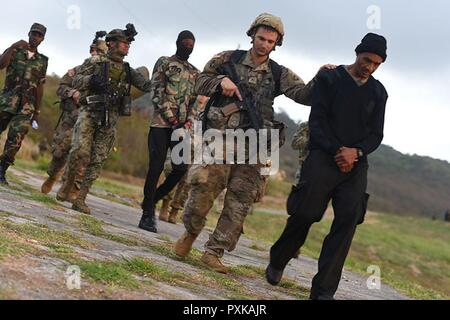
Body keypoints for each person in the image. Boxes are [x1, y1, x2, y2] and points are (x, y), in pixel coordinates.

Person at [174, 13, 332, 274]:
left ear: (276, 43)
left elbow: (305, 95)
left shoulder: (278, 72)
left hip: (255, 144)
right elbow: (198, 82)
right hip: (221, 139)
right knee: (202, 189)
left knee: (241, 199)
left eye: (270, 41)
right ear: (252, 36)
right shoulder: (227, 59)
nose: (264, 44)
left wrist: (321, 76)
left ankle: (214, 251)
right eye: (261, 38)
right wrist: (219, 81)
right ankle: (190, 234)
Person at [266, 33, 389, 300]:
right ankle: (279, 258)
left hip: (355, 164)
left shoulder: (379, 92)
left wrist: (354, 152)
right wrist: (337, 150)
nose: (369, 67)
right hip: (323, 156)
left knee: (347, 222)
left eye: (377, 64)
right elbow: (317, 121)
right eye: (367, 60)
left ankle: (323, 291)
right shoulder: (330, 79)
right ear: (357, 53)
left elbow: (376, 135)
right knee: (306, 213)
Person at [62, 24, 152, 214]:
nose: (127, 46)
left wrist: (162, 75)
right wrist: (91, 80)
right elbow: (76, 81)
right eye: (123, 43)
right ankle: (68, 183)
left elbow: (146, 86)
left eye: (128, 44)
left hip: (110, 119)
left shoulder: (128, 70)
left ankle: (80, 198)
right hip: (89, 112)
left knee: (97, 159)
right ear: (111, 43)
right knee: (79, 151)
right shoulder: (95, 61)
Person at [138, 31, 200, 233]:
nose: (188, 47)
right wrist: (172, 119)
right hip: (161, 125)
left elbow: (195, 102)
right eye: (185, 43)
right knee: (155, 168)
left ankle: (152, 199)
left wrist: (188, 122)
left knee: (181, 169)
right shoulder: (164, 62)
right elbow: (156, 91)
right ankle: (147, 215)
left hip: (181, 130)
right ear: (177, 43)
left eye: (191, 45)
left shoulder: (194, 72)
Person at [41, 32, 108, 197]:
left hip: (90, 120)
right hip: (71, 118)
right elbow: (61, 88)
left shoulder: (107, 76)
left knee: (83, 155)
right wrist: (72, 92)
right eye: (93, 50)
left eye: (98, 52)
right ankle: (53, 175)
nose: (94, 54)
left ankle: (73, 188)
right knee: (59, 151)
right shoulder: (77, 70)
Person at [0, 23, 48, 185]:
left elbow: (40, 86)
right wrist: (13, 46)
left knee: (16, 138)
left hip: (27, 107)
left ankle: (1, 171)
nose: (35, 37)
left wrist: (37, 111)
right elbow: (1, 64)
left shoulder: (42, 60)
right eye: (33, 34)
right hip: (7, 101)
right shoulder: (16, 51)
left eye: (39, 35)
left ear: (42, 39)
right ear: (28, 33)